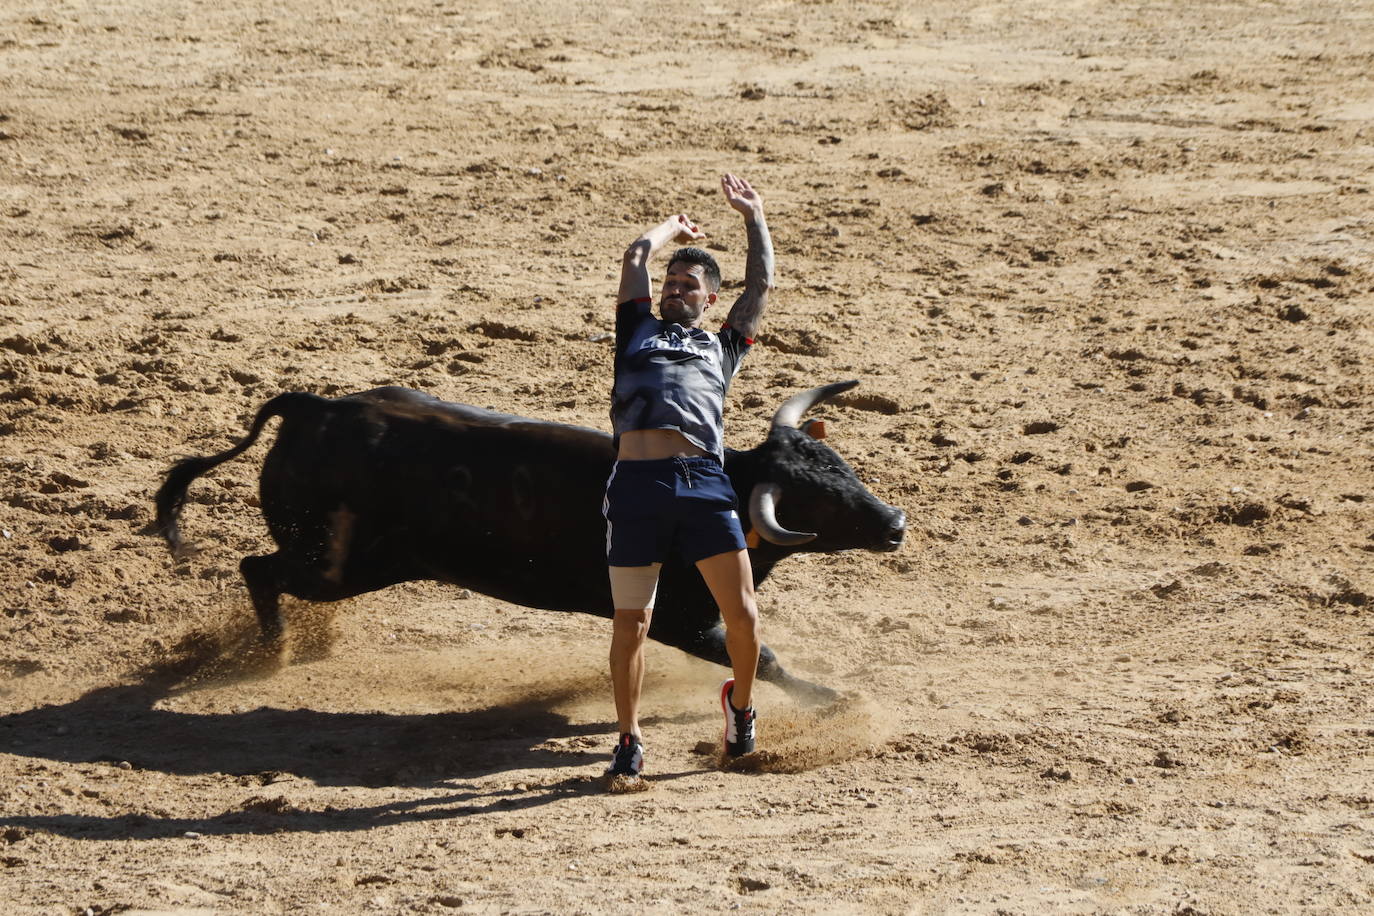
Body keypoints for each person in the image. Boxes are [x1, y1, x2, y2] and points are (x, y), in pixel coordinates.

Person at [603, 173, 773, 780]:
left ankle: (742, 709)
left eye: (688, 285)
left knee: (744, 617)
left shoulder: (724, 347)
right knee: (632, 623)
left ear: (709, 299)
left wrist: (754, 216)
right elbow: (633, 256)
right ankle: (628, 739)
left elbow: (761, 284)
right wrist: (668, 231)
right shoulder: (636, 331)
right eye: (670, 282)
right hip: (636, 486)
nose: (674, 289)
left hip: (703, 482)